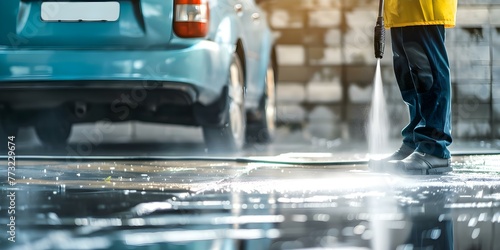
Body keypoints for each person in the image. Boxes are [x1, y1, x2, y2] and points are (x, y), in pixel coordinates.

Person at [370, 0, 458, 175]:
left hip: (423, 6)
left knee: (426, 71)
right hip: (401, 7)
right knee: (407, 73)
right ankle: (415, 142)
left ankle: (434, 148)